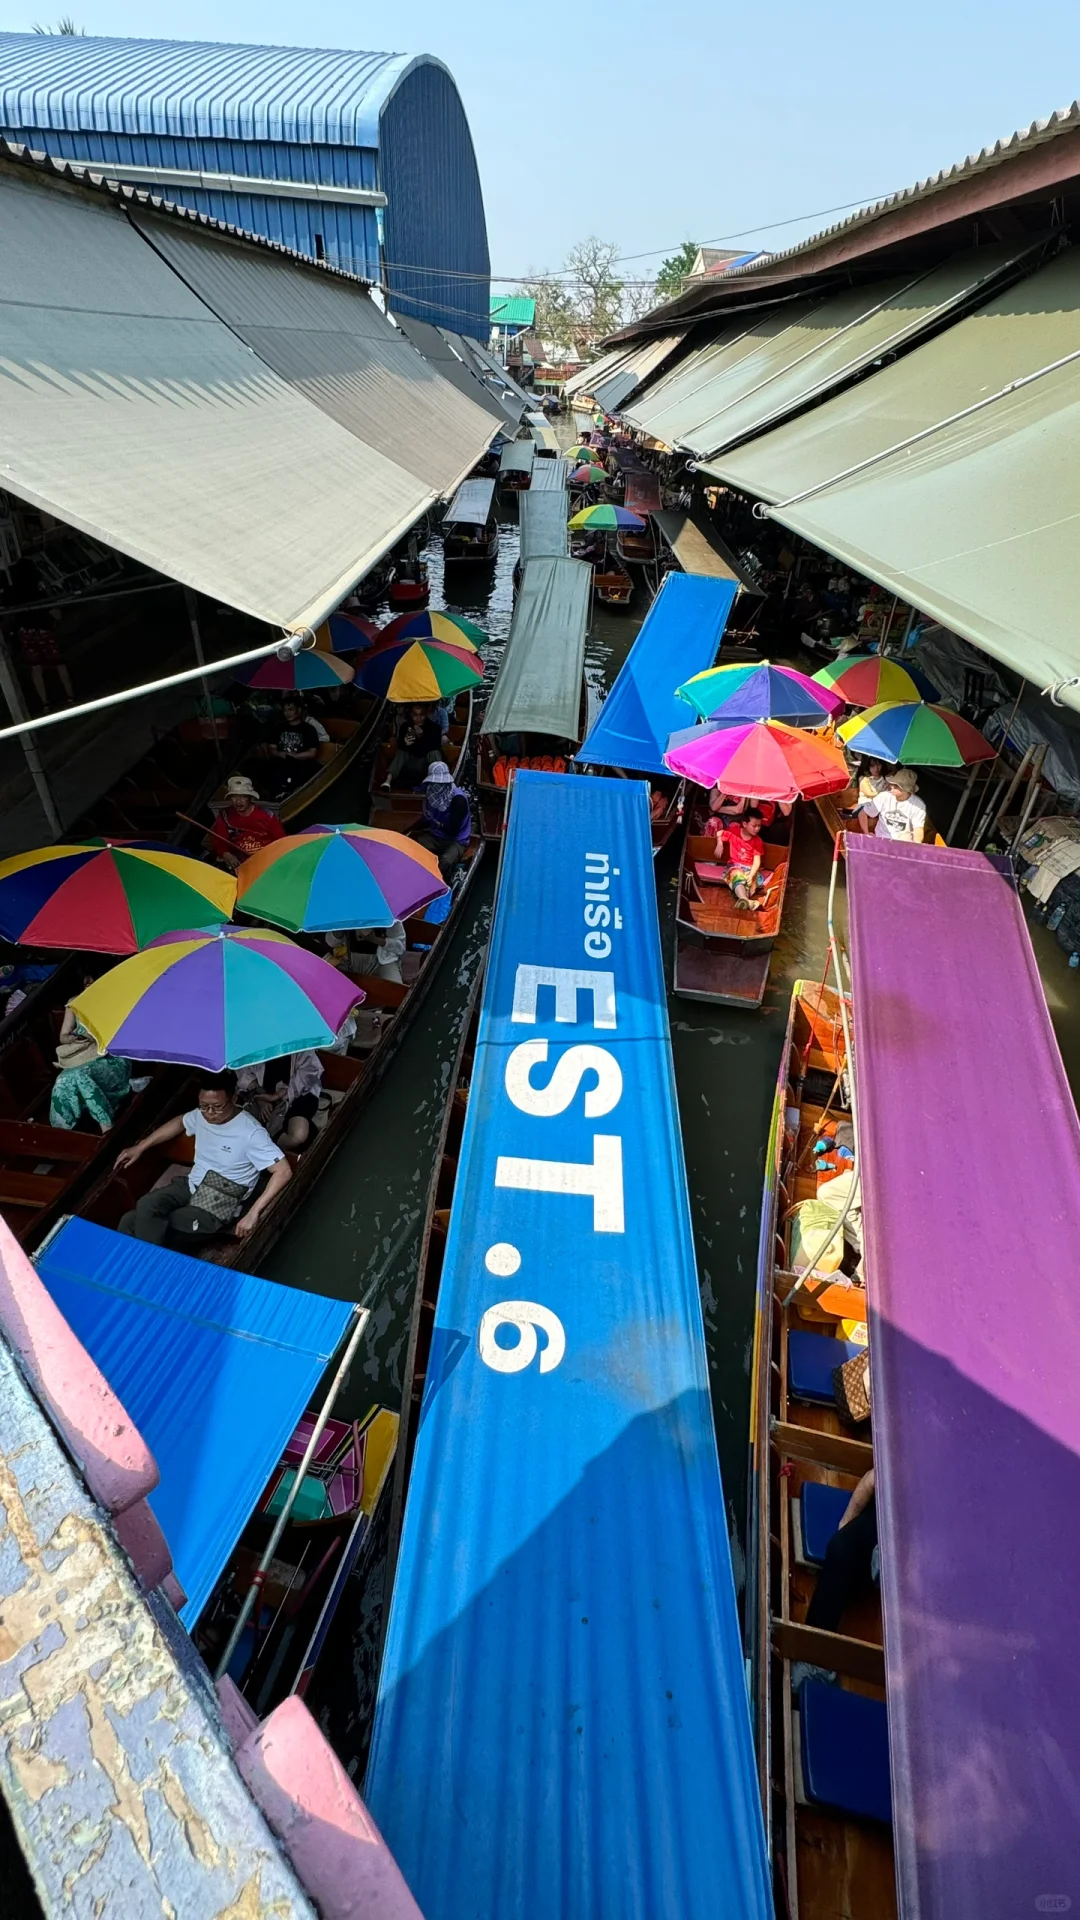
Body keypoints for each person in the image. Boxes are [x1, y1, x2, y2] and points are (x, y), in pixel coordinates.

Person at [115, 1070, 290, 1245]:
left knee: (158, 1225)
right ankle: (131, 1265)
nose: (210, 1113)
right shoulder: (201, 1115)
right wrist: (141, 1147)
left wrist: (254, 1212)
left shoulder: (251, 1133)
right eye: (204, 1106)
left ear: (235, 1098)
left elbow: (283, 1171)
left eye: (217, 1106)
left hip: (220, 1201)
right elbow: (180, 1122)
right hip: (192, 1185)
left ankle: (146, 1267)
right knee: (138, 1211)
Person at [792, 1468, 878, 1692]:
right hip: (893, 1516)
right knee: (840, 1550)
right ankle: (816, 1660)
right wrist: (846, 1524)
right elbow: (870, 1481)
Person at [236, 1052, 323, 1150]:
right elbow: (244, 1075)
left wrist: (278, 1095)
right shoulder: (253, 1045)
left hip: (300, 1093)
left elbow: (309, 1074)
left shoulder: (302, 1046)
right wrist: (260, 1098)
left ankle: (270, 1150)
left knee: (298, 1136)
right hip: (263, 1095)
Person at [50, 1032, 132, 1132]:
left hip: (112, 1055)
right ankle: (61, 1131)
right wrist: (74, 1038)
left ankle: (106, 1125)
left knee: (80, 1075)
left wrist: (94, 1035)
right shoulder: (73, 1014)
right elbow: (63, 1036)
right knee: (62, 1080)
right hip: (83, 1056)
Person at [204, 775, 285, 869]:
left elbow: (281, 840)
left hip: (265, 859)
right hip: (238, 862)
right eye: (234, 796)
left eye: (243, 797)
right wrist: (225, 853)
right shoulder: (225, 816)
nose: (238, 801)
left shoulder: (266, 815)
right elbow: (219, 839)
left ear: (250, 798)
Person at [411, 761, 471, 880]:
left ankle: (438, 880)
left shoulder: (458, 800)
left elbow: (453, 830)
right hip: (436, 836)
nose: (436, 786)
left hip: (456, 839)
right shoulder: (431, 793)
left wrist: (434, 822)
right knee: (413, 847)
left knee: (446, 861)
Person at [713, 807, 771, 910]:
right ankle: (747, 901)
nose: (757, 829)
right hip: (735, 866)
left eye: (759, 826)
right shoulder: (733, 832)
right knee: (737, 876)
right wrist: (720, 843)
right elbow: (719, 833)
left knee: (748, 882)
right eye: (754, 826)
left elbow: (757, 862)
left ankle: (745, 900)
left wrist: (751, 874)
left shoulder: (757, 841)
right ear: (744, 824)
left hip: (750, 869)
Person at [265, 696, 321, 797]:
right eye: (285, 710)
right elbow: (271, 748)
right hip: (281, 762)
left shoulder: (309, 729)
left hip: (300, 763)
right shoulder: (278, 728)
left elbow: (312, 753)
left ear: (299, 710)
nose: (287, 713)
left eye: (291, 709)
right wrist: (279, 753)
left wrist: (294, 756)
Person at [856, 766, 927, 843]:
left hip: (904, 844)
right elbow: (863, 813)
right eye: (892, 783)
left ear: (906, 789)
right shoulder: (884, 797)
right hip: (881, 841)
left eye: (896, 785)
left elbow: (918, 829)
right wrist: (866, 833)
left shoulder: (918, 805)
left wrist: (916, 846)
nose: (891, 786)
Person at [384, 705, 447, 790]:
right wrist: (406, 744)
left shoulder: (435, 728)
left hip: (426, 763)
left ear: (426, 714)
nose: (418, 718)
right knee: (401, 752)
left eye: (421, 715)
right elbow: (401, 747)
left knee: (435, 753)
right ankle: (388, 781)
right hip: (411, 762)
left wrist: (421, 737)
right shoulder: (405, 727)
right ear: (411, 715)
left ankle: (438, 781)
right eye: (415, 715)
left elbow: (434, 747)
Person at [333, 920, 407, 984]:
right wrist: (338, 932)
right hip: (350, 959)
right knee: (330, 981)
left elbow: (401, 948)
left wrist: (374, 939)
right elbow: (331, 943)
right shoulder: (345, 912)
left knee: (396, 990)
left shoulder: (388, 915)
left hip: (382, 961)